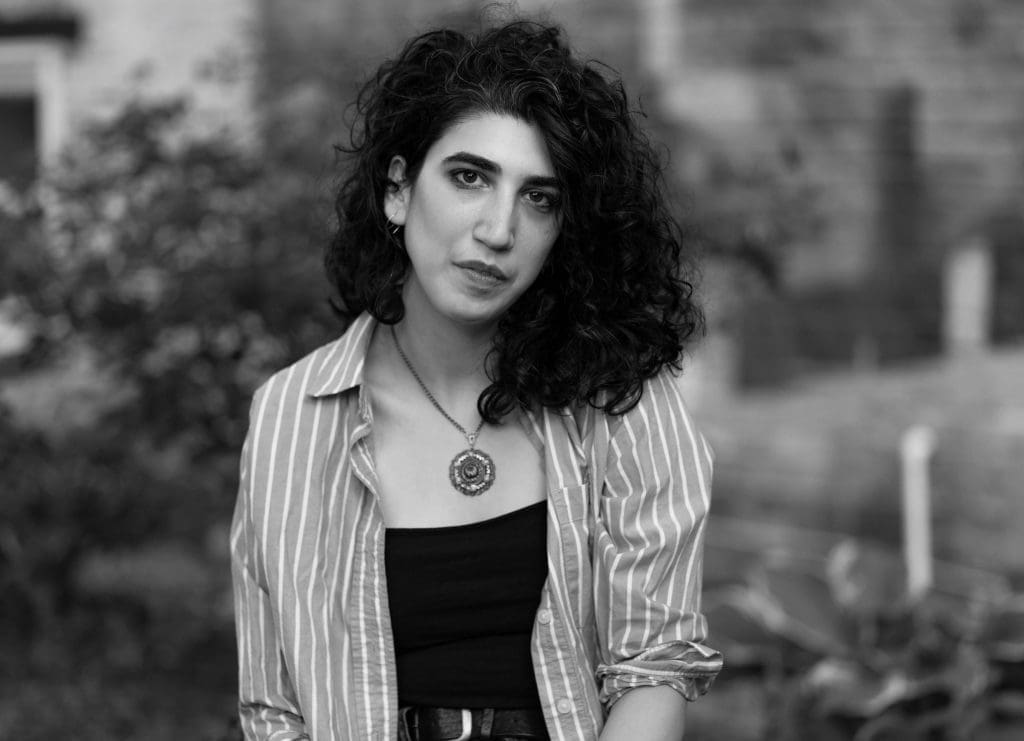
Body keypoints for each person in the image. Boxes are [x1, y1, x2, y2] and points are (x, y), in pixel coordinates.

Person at [230, 18, 722, 741]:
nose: (498, 228)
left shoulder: (620, 397)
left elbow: (654, 667)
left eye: (539, 198)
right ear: (399, 191)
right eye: (469, 177)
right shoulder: (291, 415)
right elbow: (275, 714)